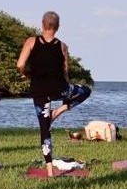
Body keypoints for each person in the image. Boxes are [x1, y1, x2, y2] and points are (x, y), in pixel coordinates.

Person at [16, 11, 91, 177]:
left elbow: (20, 64)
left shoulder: (31, 41)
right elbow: (65, 72)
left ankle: (49, 170)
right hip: (60, 88)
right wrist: (68, 90)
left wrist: (26, 73)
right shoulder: (62, 46)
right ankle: (59, 111)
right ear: (57, 27)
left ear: (42, 24)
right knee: (86, 90)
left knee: (45, 129)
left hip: (39, 90)